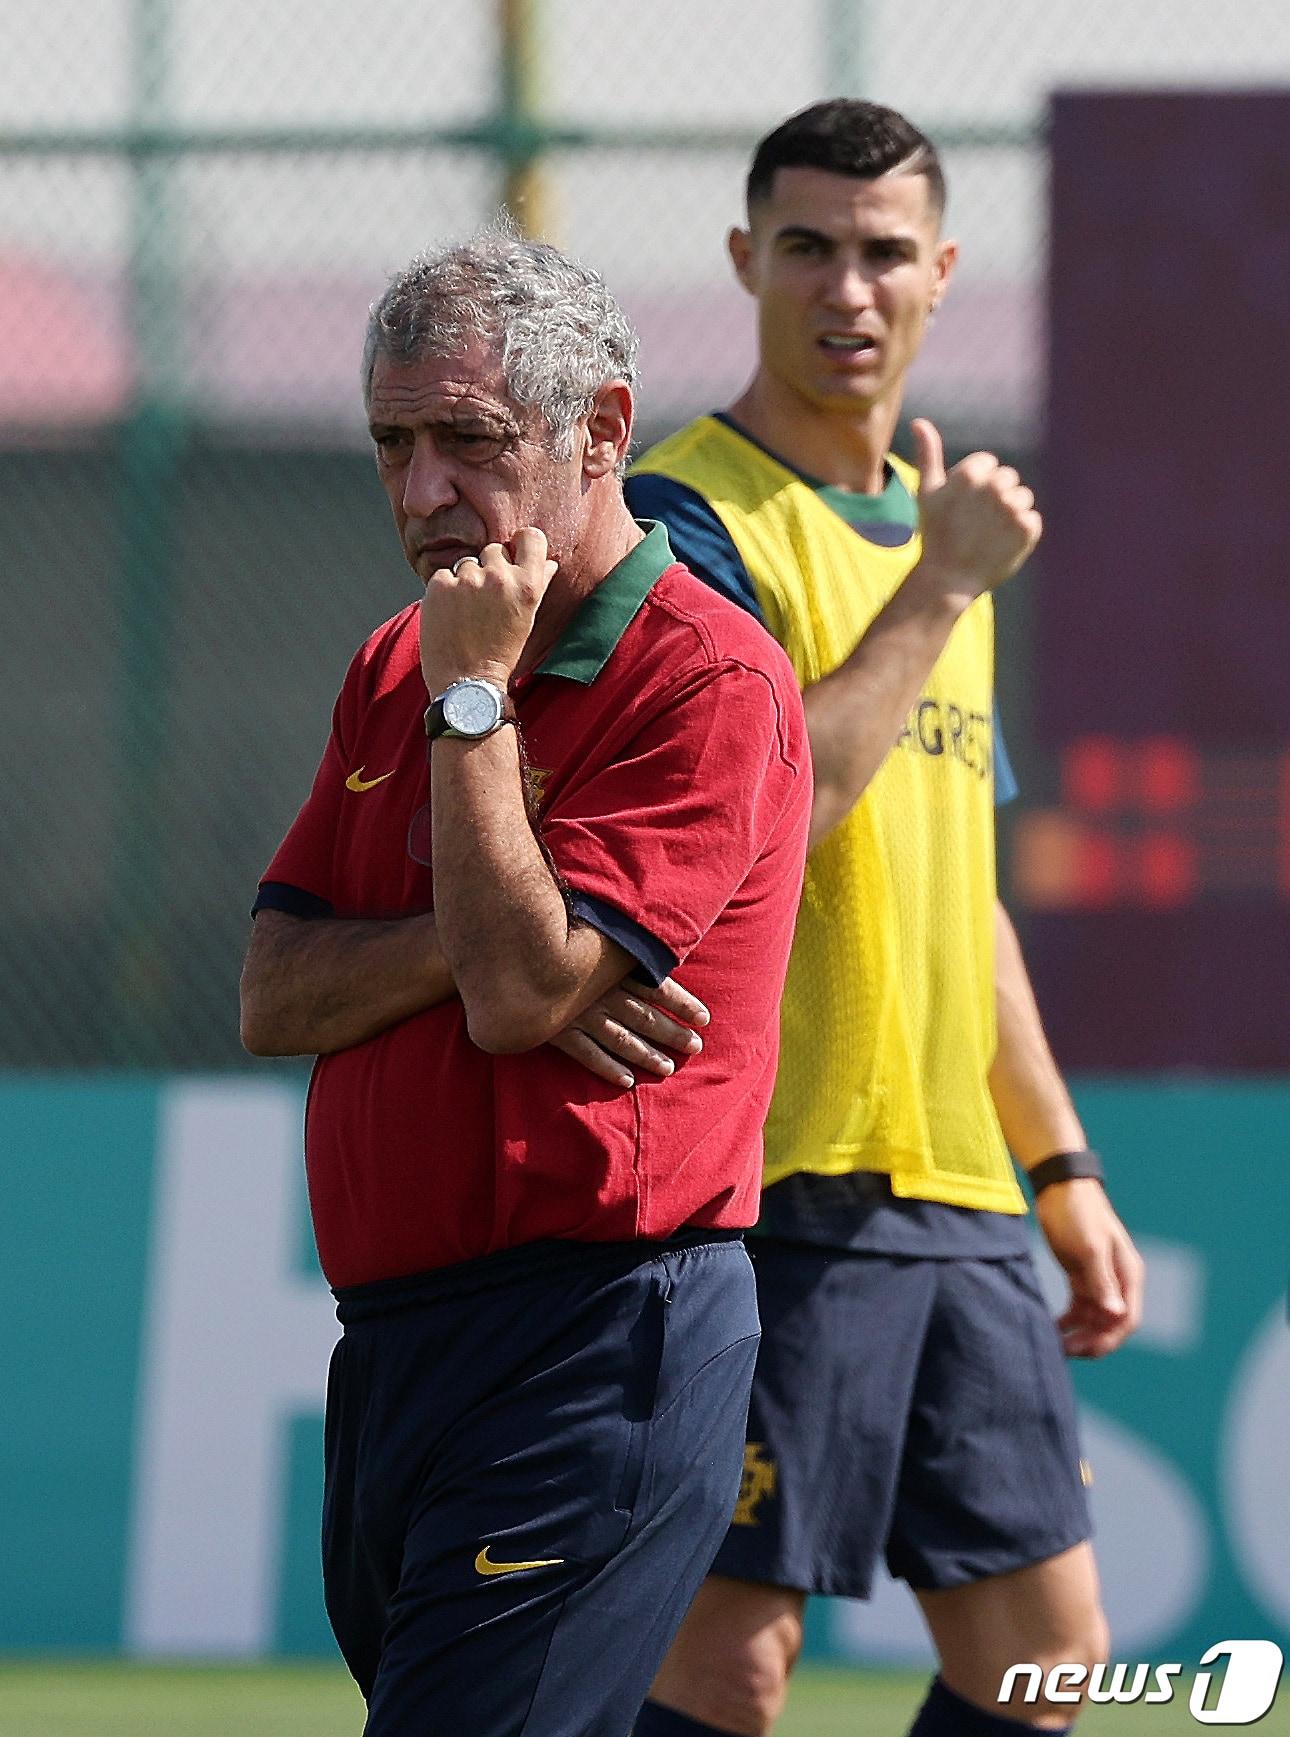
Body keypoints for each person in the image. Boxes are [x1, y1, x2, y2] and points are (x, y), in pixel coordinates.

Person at [238, 227, 814, 1737]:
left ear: (601, 430)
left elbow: (508, 1001)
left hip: (593, 1337)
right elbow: (274, 994)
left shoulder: (706, 678)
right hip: (394, 1350)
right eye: (393, 444)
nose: (425, 491)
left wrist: (477, 707)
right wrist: (520, 944)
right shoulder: (394, 663)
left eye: (470, 441)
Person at [619, 101, 1146, 1737]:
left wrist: (1057, 1166)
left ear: (942, 275)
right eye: (807, 248)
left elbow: (959, 895)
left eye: (882, 252)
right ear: (743, 261)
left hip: (952, 1192)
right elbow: (773, 813)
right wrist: (938, 589)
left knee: (1045, 1663)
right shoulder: (681, 517)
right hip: (772, 1182)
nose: (846, 289)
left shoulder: (935, 538)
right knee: (725, 1663)